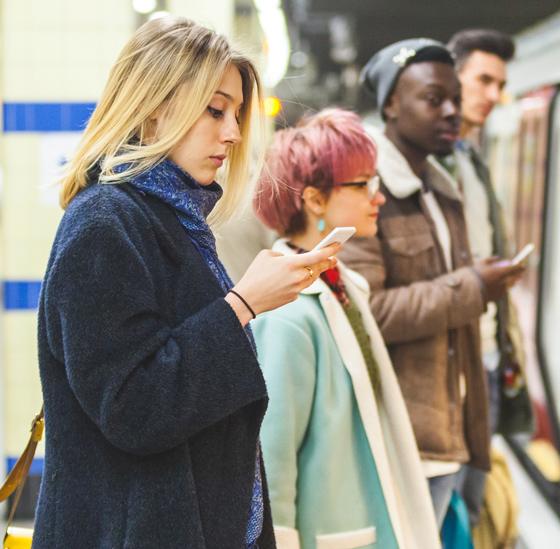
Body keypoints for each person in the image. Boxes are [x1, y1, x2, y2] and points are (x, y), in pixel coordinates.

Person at [34, 17, 337, 548]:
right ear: (153, 109)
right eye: (215, 109)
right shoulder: (104, 224)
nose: (234, 132)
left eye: (237, 113)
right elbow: (133, 407)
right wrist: (242, 304)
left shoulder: (168, 217)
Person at [342, 37, 523, 526]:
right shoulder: (365, 191)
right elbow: (366, 313)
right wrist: (474, 288)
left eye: (454, 100)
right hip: (405, 442)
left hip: (452, 431)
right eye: (433, 99)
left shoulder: (441, 193)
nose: (451, 112)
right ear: (391, 105)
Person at [251, 109, 440, 549]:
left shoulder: (341, 285)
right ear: (315, 200)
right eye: (363, 184)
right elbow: (271, 465)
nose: (379, 197)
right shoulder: (287, 315)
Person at [444, 28, 533, 527]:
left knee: (471, 505)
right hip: (455, 367)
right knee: (455, 510)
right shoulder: (427, 165)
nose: (494, 96)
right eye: (483, 80)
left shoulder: (471, 160)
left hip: (487, 356)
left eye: (500, 84)